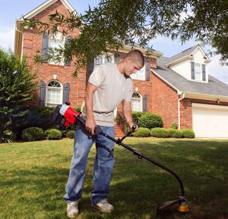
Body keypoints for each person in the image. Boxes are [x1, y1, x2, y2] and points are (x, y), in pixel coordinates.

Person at [64, 49, 144, 218]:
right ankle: (72, 200)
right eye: (135, 68)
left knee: (106, 162)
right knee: (79, 160)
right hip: (88, 120)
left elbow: (126, 105)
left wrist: (130, 122)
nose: (135, 72)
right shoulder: (104, 69)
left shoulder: (128, 82)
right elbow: (89, 92)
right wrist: (90, 119)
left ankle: (99, 198)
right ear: (128, 60)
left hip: (107, 124)